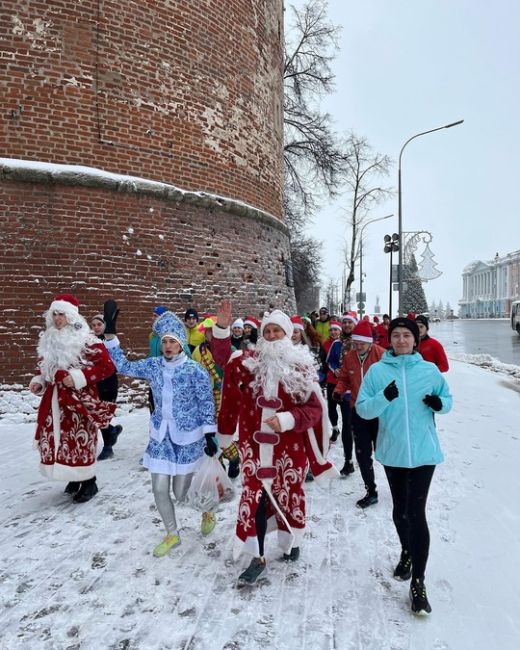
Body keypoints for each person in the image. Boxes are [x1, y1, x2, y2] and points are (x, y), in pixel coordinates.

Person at [212, 305, 338, 584]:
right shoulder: (247, 363)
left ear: (288, 334)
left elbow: (314, 410)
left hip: (287, 450)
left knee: (287, 495)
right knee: (254, 498)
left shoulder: (301, 367)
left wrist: (289, 419)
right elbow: (224, 361)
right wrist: (221, 331)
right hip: (253, 447)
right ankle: (258, 557)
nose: (270, 336)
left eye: (276, 331)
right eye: (267, 331)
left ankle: (290, 536)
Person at [103, 305, 219, 557]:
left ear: (180, 344)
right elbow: (122, 365)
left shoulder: (194, 370)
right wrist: (110, 335)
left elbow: (206, 401)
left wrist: (210, 434)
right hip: (159, 437)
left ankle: (206, 508)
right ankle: (172, 534)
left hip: (187, 438)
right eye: (164, 341)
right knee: (158, 488)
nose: (167, 346)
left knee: (181, 493)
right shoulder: (154, 365)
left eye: (172, 342)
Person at [356, 317, 452, 615]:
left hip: (424, 453)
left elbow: (447, 399)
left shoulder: (429, 370)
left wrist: (439, 404)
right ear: (389, 340)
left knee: (416, 512)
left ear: (415, 339)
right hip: (394, 452)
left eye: (406, 336)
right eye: (395, 336)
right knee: (400, 510)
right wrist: (383, 398)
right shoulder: (377, 372)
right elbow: (362, 408)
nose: (401, 340)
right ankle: (407, 551)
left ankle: (419, 582)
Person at [29, 294, 116, 503]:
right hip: (54, 399)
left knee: (78, 439)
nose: (58, 319)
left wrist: (77, 377)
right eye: (55, 314)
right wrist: (40, 380)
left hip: (78, 398)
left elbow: (107, 368)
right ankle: (73, 476)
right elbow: (45, 366)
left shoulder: (87, 340)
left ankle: (89, 481)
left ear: (71, 316)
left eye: (62, 314)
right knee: (60, 439)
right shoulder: (48, 338)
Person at [333, 320, 385, 507]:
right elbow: (345, 378)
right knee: (362, 454)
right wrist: (339, 391)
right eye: (356, 343)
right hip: (358, 410)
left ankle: (398, 487)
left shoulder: (382, 355)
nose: (358, 346)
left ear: (370, 342)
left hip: (380, 412)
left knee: (385, 452)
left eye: (362, 343)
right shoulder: (350, 357)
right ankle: (371, 490)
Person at [192, 317, 240, 479]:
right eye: (208, 331)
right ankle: (219, 467)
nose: (211, 334)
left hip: (225, 397)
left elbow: (237, 375)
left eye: (213, 331)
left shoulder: (231, 350)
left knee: (222, 433)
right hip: (205, 397)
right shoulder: (198, 352)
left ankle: (234, 458)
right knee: (209, 435)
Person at [323, 320, 354, 473]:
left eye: (350, 323)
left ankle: (349, 460)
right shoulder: (336, 344)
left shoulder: (359, 342)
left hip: (352, 389)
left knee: (348, 425)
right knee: (331, 410)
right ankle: (335, 428)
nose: (347, 325)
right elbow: (329, 361)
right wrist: (334, 369)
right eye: (345, 323)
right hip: (334, 384)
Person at [91, 314, 123, 460]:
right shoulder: (90, 342)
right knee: (96, 414)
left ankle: (108, 447)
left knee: (103, 414)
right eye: (94, 325)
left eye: (99, 324)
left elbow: (117, 362)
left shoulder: (111, 341)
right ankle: (112, 431)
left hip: (109, 383)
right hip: (94, 383)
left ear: (105, 326)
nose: (96, 327)